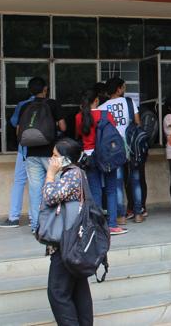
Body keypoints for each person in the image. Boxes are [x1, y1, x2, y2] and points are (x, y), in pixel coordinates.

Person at [43, 138, 93, 325]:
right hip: (75, 240)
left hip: (67, 242)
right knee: (78, 290)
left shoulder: (72, 174)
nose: (52, 159)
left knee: (57, 292)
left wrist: (49, 174)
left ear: (65, 158)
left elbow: (50, 197)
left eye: (55, 156)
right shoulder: (76, 173)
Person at [17, 77, 66, 234]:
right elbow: (63, 126)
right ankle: (57, 224)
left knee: (35, 190)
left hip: (31, 154)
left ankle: (36, 226)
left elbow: (19, 132)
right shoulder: (52, 104)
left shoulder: (25, 106)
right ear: (45, 89)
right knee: (56, 188)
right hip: (52, 154)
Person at [76, 89, 126, 235]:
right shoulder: (106, 115)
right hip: (107, 156)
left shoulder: (79, 117)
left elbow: (79, 134)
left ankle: (98, 226)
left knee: (95, 191)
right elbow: (113, 135)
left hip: (89, 157)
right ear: (96, 100)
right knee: (111, 190)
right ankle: (112, 224)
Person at [98, 77, 144, 224]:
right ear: (118, 89)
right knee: (135, 181)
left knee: (116, 183)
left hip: (113, 149)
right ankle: (137, 214)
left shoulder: (102, 108)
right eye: (123, 87)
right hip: (131, 147)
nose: (124, 90)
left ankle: (121, 216)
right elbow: (137, 123)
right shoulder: (129, 103)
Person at [0, 92, 35, 228]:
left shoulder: (23, 105)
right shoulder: (49, 104)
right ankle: (34, 217)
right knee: (37, 183)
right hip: (44, 150)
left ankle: (13, 218)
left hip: (24, 148)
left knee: (19, 181)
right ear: (45, 90)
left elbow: (13, 123)